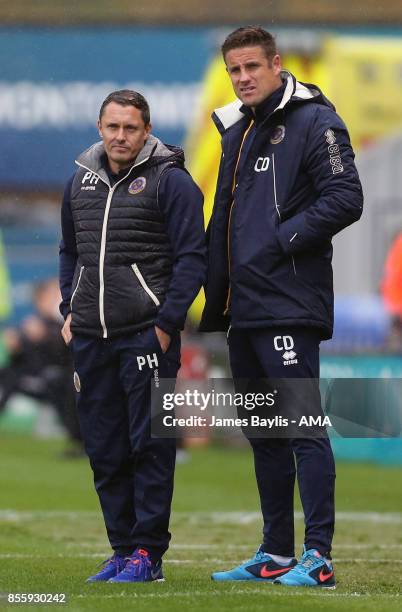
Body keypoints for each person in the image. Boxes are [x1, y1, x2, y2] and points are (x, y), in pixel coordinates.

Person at [200, 26, 363, 588]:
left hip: (290, 302)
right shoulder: (235, 130)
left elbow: (347, 198)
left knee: (302, 428)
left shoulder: (316, 120)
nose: (243, 78)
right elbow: (224, 221)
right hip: (243, 306)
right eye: (234, 71)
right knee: (264, 431)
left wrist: (280, 241)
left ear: (276, 64)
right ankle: (275, 552)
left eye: (251, 67)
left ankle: (318, 559)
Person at [59, 89, 206, 583]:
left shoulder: (172, 182)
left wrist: (166, 325)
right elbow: (69, 251)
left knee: (149, 447)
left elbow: (192, 258)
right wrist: (68, 308)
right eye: (113, 126)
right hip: (90, 338)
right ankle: (121, 549)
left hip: (146, 337)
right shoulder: (80, 182)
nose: (120, 136)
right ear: (99, 127)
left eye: (131, 128)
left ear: (147, 131)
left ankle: (148, 554)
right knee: (104, 448)